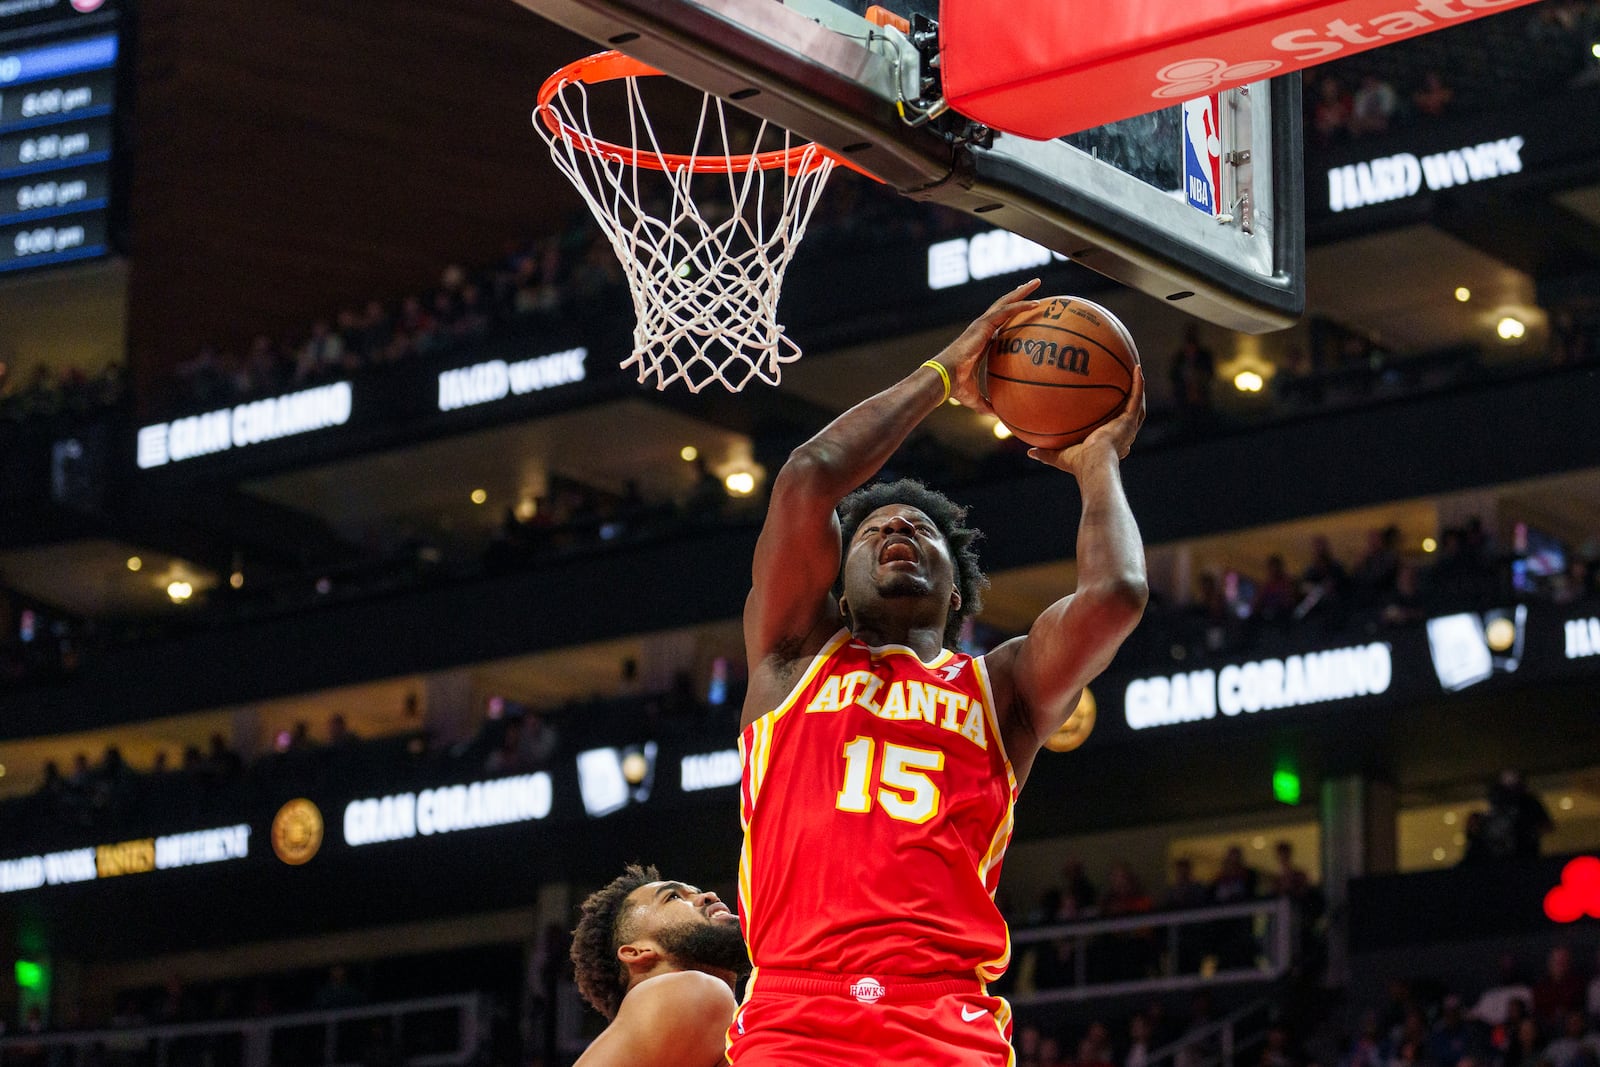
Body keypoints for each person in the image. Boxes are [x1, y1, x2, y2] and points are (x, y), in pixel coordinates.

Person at [730, 280, 1148, 1065]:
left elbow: (1117, 594)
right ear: (836, 580)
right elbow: (808, 475)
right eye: (875, 528)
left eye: (922, 529)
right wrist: (946, 374)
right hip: (797, 1010)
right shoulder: (790, 657)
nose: (895, 526)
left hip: (944, 1020)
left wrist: (1097, 463)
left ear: (956, 590)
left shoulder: (1004, 689)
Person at [568, 864, 750, 1067]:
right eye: (673, 897)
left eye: (695, 892)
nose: (711, 895)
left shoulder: (736, 1023)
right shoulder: (691, 990)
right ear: (636, 951)